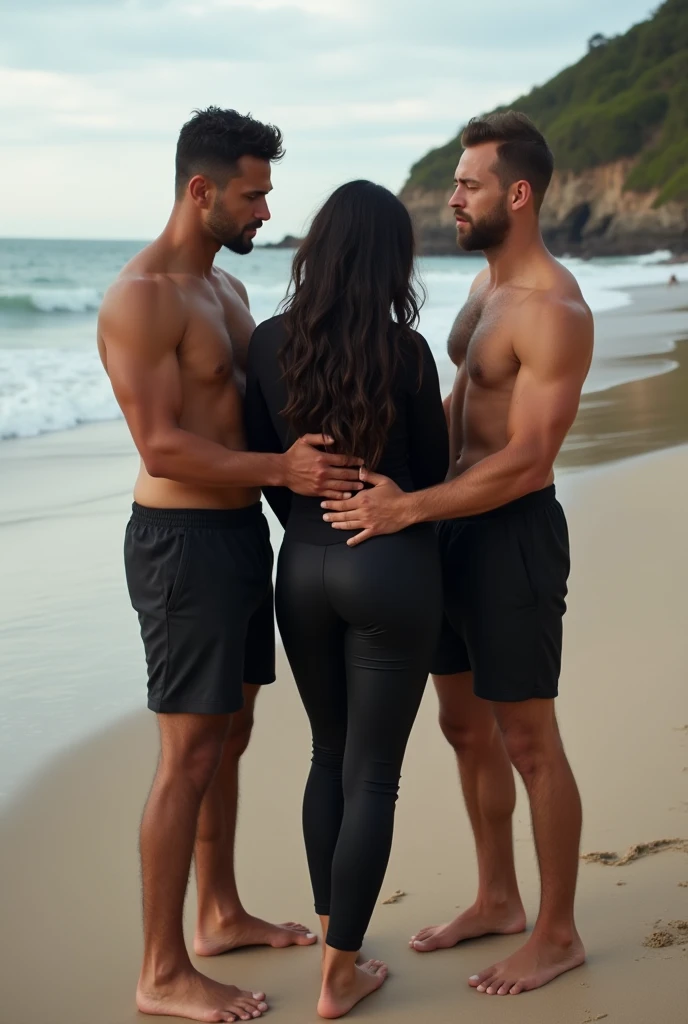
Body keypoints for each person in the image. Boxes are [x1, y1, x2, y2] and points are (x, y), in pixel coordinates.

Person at [97, 107, 365, 1024]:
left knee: (233, 734)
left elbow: (256, 416)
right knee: (188, 753)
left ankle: (217, 912)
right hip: (181, 549)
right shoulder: (142, 297)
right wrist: (280, 471)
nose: (264, 211)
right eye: (252, 195)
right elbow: (164, 446)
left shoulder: (227, 294)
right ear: (201, 190)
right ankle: (161, 970)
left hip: (243, 537)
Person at [321, 112, 594, 997]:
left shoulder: (553, 306)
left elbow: (527, 457)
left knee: (528, 736)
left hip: (511, 533)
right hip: (448, 527)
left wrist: (413, 507)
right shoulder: (483, 295)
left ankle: (557, 933)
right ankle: (497, 898)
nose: (453, 198)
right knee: (463, 726)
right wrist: (391, 479)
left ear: (517, 193)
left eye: (468, 184)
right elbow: (457, 410)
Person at [245, 180, 449, 1018]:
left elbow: (266, 463)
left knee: (328, 757)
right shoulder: (407, 353)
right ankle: (341, 971)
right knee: (375, 777)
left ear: (317, 250)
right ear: (391, 260)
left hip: (302, 565)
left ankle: (337, 936)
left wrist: (308, 520)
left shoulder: (265, 343)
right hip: (389, 564)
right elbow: (432, 477)